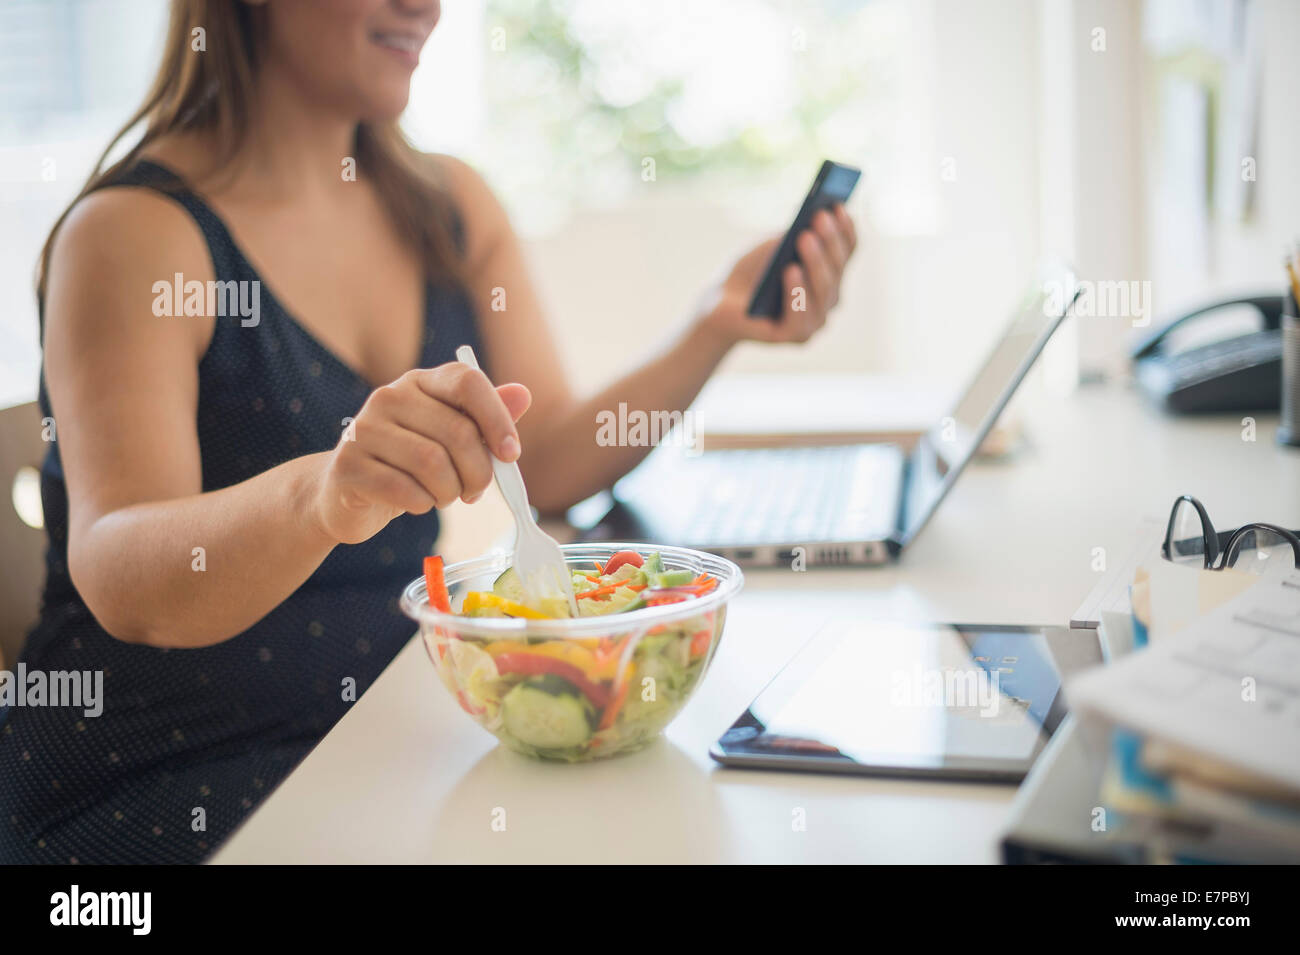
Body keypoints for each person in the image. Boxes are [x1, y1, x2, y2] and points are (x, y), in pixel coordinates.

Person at [0, 0, 856, 864]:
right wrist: (327, 491)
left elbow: (548, 460)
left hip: (371, 735)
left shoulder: (446, 206)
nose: (427, 7)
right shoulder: (131, 234)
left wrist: (713, 326)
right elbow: (121, 569)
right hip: (159, 772)